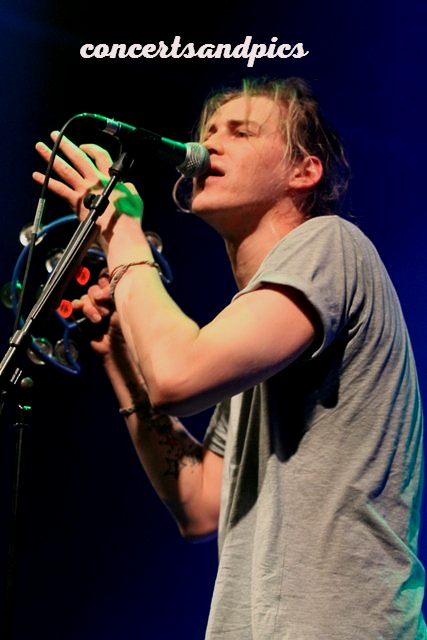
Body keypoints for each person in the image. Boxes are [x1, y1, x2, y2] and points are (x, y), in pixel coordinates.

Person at [32, 77, 426, 639]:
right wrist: (120, 355)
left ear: (303, 171)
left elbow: (177, 374)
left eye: (241, 132)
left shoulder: (331, 244)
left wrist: (122, 234)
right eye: (210, 131)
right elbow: (200, 503)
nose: (210, 144)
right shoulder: (254, 327)